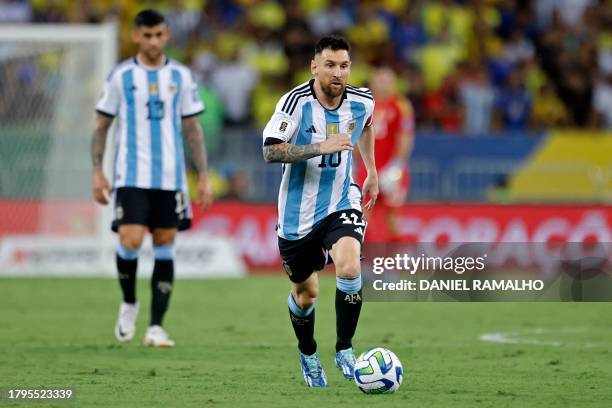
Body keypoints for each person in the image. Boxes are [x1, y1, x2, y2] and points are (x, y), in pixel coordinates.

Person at [91, 9, 212, 348]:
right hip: (130, 174)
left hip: (171, 178)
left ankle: (156, 326)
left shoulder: (181, 76)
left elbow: (192, 129)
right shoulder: (121, 76)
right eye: (147, 35)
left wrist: (203, 176)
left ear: (167, 35)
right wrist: (97, 170)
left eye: (159, 34)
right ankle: (129, 301)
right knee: (129, 241)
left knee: (164, 247)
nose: (154, 41)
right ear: (136, 36)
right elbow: (101, 126)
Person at [262, 36, 378, 387]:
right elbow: (271, 152)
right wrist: (319, 147)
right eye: (329, 65)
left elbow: (366, 126)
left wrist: (371, 170)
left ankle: (344, 347)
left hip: (341, 199)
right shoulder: (294, 102)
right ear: (315, 67)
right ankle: (308, 352)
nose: (337, 73)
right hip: (297, 215)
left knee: (348, 262)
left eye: (343, 66)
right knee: (306, 293)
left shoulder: (362, 101)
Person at [356, 67, 414, 242]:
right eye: (379, 80)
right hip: (367, 170)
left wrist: (396, 166)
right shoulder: (363, 106)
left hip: (391, 170)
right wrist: (354, 164)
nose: (382, 84)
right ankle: (364, 264)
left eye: (386, 80)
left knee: (393, 219)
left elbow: (405, 137)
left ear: (393, 83)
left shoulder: (401, 105)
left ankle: (391, 265)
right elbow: (357, 138)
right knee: (361, 218)